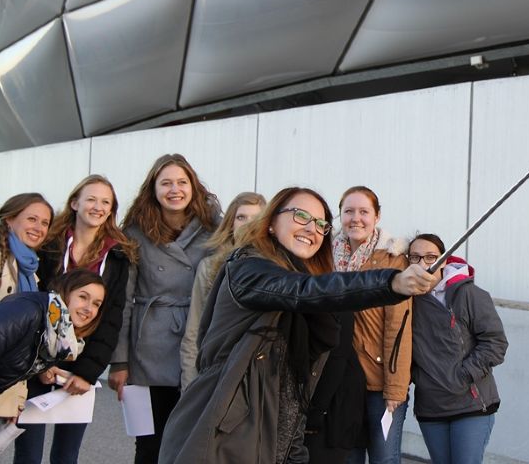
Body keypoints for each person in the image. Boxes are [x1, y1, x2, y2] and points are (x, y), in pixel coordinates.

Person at [157, 186, 438, 464]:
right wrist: (391, 282)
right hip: (226, 431)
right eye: (301, 215)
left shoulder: (301, 277)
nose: (312, 228)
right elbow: (304, 291)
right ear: (270, 222)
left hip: (281, 435)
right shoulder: (247, 266)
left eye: (320, 224)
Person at [13, 176, 137, 464]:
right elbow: (30, 301)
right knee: (28, 454)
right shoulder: (49, 246)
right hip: (38, 362)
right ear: (75, 203)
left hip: (81, 367)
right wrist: (39, 364)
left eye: (105, 202)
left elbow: (111, 319)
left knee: (66, 457)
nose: (97, 206)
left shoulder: (118, 256)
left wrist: (87, 372)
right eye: (91, 199)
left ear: (111, 210)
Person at [108, 154, 220, 464]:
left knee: (190, 441)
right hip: (148, 350)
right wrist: (119, 361)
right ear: (153, 189)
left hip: (197, 340)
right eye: (166, 183)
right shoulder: (134, 232)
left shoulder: (214, 229)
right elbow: (123, 302)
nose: (175, 189)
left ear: (193, 187)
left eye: (182, 182)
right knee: (149, 444)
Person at [408, 234, 508, 464]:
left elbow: (495, 343)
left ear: (444, 260)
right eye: (415, 257)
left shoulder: (469, 294)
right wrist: (420, 377)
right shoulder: (407, 299)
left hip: (471, 404)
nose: (423, 264)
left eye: (431, 257)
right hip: (431, 407)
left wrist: (462, 376)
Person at [334, 186, 412, 464]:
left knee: (384, 460)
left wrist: (395, 389)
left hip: (380, 384)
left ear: (376, 216)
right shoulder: (327, 257)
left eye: (364, 211)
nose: (356, 218)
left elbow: (398, 329)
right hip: (340, 383)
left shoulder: (392, 261)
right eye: (348, 211)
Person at [180, 191, 266, 390]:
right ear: (231, 223)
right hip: (215, 372)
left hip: (256, 377)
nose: (248, 224)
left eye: (256, 218)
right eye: (241, 217)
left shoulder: (277, 268)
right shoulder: (209, 267)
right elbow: (193, 332)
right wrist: (189, 388)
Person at [0, 269, 106, 417]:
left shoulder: (58, 338)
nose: (89, 308)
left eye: (96, 304)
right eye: (83, 297)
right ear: (65, 292)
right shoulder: (29, 311)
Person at [0, 193, 54, 422]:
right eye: (32, 219)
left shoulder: (30, 270)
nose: (39, 227)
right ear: (10, 219)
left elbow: (22, 338)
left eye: (45, 223)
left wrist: (15, 398)